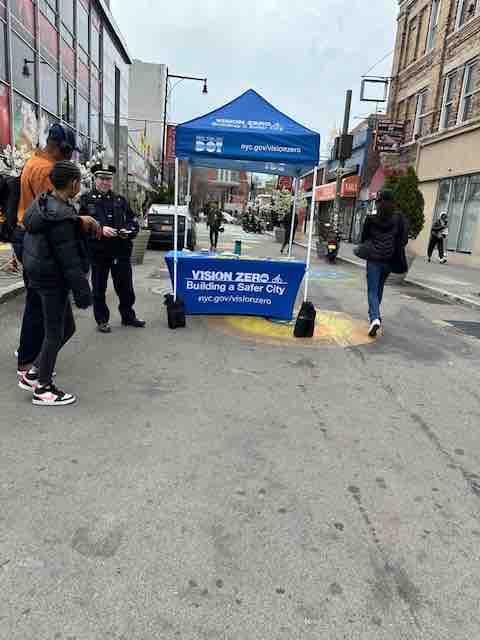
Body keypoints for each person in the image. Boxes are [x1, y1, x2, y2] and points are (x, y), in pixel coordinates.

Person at [13, 124, 98, 377]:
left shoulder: (33, 162)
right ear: (63, 148)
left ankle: (32, 359)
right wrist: (79, 221)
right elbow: (53, 213)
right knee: (42, 308)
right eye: (70, 153)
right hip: (42, 244)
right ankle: (31, 365)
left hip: (31, 238)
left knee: (39, 304)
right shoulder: (45, 170)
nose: (70, 158)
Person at [18, 162, 92, 406]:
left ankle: (35, 371)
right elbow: (69, 261)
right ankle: (43, 388)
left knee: (67, 328)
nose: (79, 186)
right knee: (54, 333)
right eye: (79, 182)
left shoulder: (43, 203)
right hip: (52, 281)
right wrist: (83, 292)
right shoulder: (60, 217)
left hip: (39, 276)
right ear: (72, 184)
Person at [79, 163, 145, 334]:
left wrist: (128, 231)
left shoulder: (119, 200)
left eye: (108, 179)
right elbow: (79, 227)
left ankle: (128, 316)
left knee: (126, 287)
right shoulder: (86, 200)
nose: (105, 182)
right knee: (99, 289)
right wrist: (100, 230)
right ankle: (102, 320)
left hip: (120, 250)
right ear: (95, 179)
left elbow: (133, 221)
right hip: (99, 252)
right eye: (101, 179)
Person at [361, 190, 408, 338]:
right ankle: (374, 316)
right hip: (389, 261)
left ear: (378, 202)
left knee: (372, 290)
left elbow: (364, 239)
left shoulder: (370, 220)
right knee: (379, 288)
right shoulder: (399, 219)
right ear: (393, 203)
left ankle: (374, 317)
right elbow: (403, 240)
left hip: (374, 260)